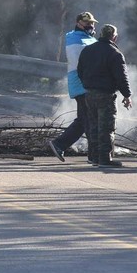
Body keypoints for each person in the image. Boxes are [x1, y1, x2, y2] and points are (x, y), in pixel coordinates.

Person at [77, 24, 133, 168]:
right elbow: (121, 77)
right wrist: (127, 95)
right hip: (106, 95)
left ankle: (94, 157)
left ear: (100, 35)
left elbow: (80, 71)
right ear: (114, 37)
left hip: (89, 94)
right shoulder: (115, 53)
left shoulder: (87, 50)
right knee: (106, 128)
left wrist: (87, 85)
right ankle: (104, 159)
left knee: (93, 126)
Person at [49, 11, 99, 163]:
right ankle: (92, 154)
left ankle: (60, 145)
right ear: (78, 23)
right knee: (88, 120)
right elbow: (86, 63)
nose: (90, 25)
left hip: (84, 84)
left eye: (92, 23)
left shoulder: (86, 38)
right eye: (87, 23)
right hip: (82, 84)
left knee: (85, 119)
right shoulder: (77, 40)